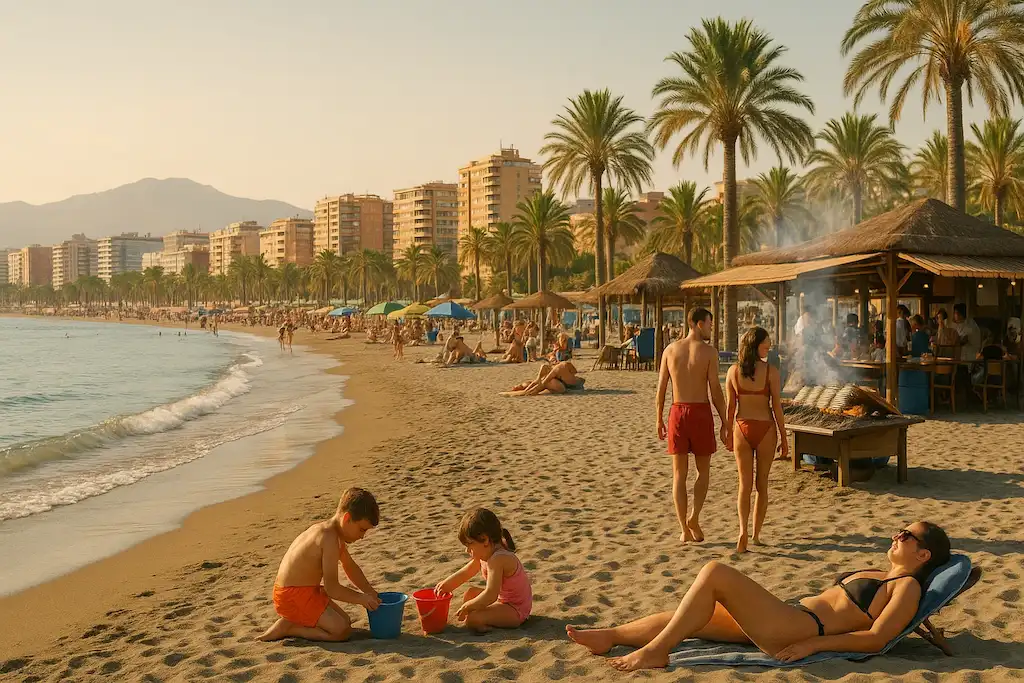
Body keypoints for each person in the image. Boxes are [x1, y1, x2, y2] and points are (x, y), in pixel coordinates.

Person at [566, 521, 952, 671]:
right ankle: (613, 635)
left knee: (715, 572)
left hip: (798, 628)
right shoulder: (882, 573)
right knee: (690, 612)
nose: (897, 535)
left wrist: (811, 646)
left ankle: (656, 652)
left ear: (923, 555)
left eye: (907, 535)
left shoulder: (907, 586)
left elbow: (878, 638)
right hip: (789, 615)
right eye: (900, 529)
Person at [258, 488, 381, 642]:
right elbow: (332, 589)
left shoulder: (334, 534)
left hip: (307, 590)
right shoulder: (328, 537)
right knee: (340, 631)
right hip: (291, 595)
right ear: (347, 518)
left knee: (345, 622)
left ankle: (296, 621)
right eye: (362, 530)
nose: (362, 536)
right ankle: (289, 627)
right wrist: (361, 598)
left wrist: (370, 592)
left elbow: (350, 567)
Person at [656, 307, 729, 544]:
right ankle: (694, 517)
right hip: (700, 412)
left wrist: (659, 417)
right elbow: (715, 390)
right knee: (703, 472)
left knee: (679, 474)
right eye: (709, 323)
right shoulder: (708, 352)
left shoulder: (670, 350)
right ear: (698, 323)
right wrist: (725, 420)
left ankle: (683, 529)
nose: (711, 327)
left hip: (677, 412)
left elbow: (661, 388)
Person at [725, 327, 787, 553]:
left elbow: (731, 407)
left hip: (741, 427)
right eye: (765, 346)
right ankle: (756, 534)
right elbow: (777, 407)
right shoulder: (771, 371)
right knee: (762, 485)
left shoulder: (733, 371)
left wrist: (726, 430)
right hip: (765, 428)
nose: (768, 349)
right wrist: (784, 436)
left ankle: (742, 530)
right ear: (755, 346)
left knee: (744, 485)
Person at [434, 508, 532, 632]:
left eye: (470, 544)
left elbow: (491, 594)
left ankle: (489, 628)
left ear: (485, 539)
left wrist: (468, 606)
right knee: (470, 593)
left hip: (515, 610)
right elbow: (467, 572)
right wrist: (446, 585)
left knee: (473, 619)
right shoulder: (486, 551)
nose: (467, 550)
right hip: (502, 600)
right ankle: (489, 617)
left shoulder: (498, 558)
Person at [501, 361, 582, 396]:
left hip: (563, 388)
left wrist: (525, 392)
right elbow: (575, 372)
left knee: (540, 385)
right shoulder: (563, 365)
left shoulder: (554, 372)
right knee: (536, 383)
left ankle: (519, 390)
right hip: (567, 386)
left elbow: (539, 384)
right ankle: (520, 389)